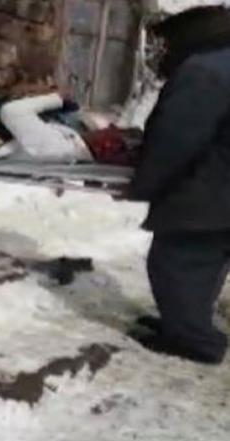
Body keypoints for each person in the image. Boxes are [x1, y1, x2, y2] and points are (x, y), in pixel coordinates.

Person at [122, 6, 230, 364]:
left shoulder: (205, 70)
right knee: (207, 261)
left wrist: (143, 185)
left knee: (178, 260)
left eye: (167, 42)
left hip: (211, 189)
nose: (163, 51)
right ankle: (184, 324)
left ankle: (194, 341)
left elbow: (176, 140)